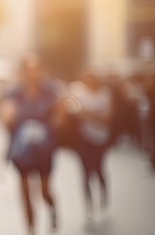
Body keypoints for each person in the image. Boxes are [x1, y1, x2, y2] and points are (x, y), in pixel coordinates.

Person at [0, 52, 59, 235]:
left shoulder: (50, 91)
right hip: (22, 149)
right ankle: (31, 230)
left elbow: (60, 114)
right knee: (25, 193)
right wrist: (6, 116)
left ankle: (53, 208)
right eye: (29, 69)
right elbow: (5, 115)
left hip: (45, 148)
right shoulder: (14, 92)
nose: (33, 73)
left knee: (45, 191)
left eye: (36, 68)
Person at [68, 68, 113, 229]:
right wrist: (93, 115)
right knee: (85, 172)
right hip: (84, 138)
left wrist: (88, 114)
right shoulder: (79, 92)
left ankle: (103, 195)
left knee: (99, 168)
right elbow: (76, 112)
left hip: (100, 138)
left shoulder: (104, 94)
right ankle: (89, 206)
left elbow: (106, 118)